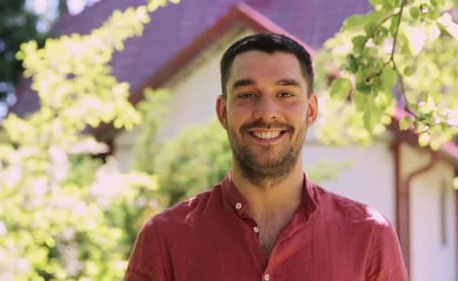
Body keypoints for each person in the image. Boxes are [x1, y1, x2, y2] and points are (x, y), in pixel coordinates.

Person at [124, 33, 408, 281]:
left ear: (311, 111)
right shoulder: (164, 239)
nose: (267, 112)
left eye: (285, 93)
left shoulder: (369, 235)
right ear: (223, 112)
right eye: (247, 95)